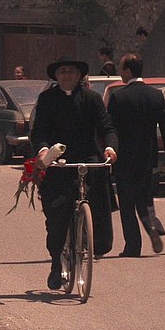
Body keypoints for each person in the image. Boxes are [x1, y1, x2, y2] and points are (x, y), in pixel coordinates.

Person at [31, 56, 118, 290]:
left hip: (87, 157)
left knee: (98, 196)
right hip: (58, 162)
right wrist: (43, 151)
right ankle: (56, 264)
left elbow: (107, 127)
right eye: (62, 72)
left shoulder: (92, 98)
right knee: (57, 216)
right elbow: (39, 131)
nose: (67, 75)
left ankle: (94, 241)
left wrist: (110, 148)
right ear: (56, 76)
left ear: (79, 76)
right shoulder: (47, 99)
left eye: (71, 71)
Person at [107, 53, 165, 257]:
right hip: (148, 156)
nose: (120, 73)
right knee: (145, 197)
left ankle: (133, 246)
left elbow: (111, 128)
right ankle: (152, 225)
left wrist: (110, 149)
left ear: (128, 71)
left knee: (127, 202)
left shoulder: (118, 97)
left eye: (121, 69)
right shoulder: (156, 95)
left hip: (124, 157)